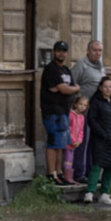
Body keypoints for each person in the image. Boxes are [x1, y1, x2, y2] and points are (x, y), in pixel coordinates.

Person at [40, 40, 79, 185]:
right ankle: (51, 174)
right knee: (53, 143)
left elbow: (67, 88)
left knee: (61, 144)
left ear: (67, 53)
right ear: (54, 52)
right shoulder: (51, 69)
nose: (61, 54)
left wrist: (69, 89)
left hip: (64, 111)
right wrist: (73, 89)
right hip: (52, 112)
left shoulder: (66, 70)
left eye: (64, 51)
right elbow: (65, 89)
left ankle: (59, 172)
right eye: (58, 51)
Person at [84, 77, 111, 205]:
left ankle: (105, 194)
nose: (108, 89)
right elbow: (92, 120)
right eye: (105, 86)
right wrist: (102, 133)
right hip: (100, 139)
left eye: (110, 86)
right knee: (97, 164)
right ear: (100, 88)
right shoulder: (95, 102)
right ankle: (89, 192)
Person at [71, 40, 105, 181]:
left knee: (93, 144)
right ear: (88, 51)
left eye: (100, 50)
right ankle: (79, 173)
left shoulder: (101, 67)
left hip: (95, 112)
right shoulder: (82, 65)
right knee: (81, 143)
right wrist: (76, 107)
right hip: (82, 112)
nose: (97, 53)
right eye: (94, 50)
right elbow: (71, 84)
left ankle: (91, 173)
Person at [65, 95, 88, 185]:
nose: (82, 107)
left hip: (75, 144)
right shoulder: (71, 115)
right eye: (80, 104)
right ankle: (67, 178)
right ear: (75, 104)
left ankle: (71, 177)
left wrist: (79, 141)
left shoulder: (82, 117)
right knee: (68, 159)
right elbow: (68, 128)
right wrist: (72, 140)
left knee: (71, 159)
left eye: (85, 105)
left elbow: (81, 131)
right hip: (68, 142)